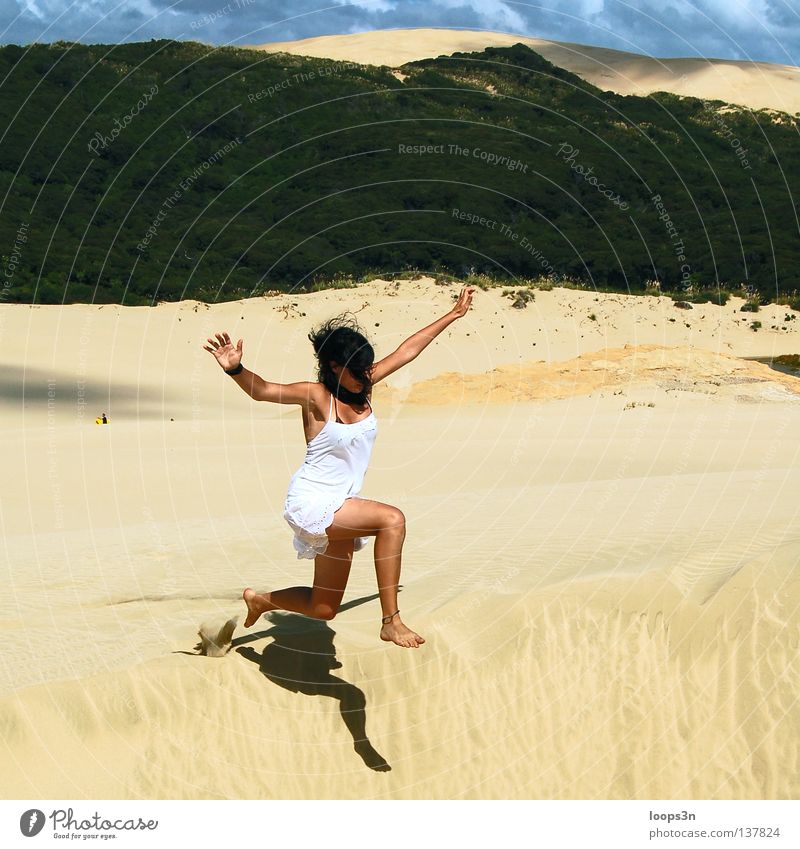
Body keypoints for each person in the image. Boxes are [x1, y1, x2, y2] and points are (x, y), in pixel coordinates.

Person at [203, 286, 475, 648]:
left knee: (324, 607)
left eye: (368, 368)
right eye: (358, 370)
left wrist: (453, 314)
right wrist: (236, 368)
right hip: (314, 501)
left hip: (344, 504)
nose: (366, 375)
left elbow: (407, 351)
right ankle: (391, 621)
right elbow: (264, 390)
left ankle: (261, 599)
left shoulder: (362, 385)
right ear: (335, 367)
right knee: (392, 519)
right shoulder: (317, 396)